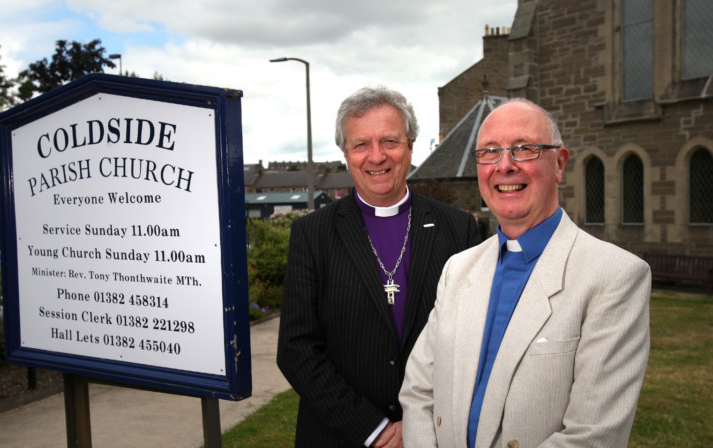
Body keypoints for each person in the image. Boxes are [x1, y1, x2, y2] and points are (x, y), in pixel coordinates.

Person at [399, 98, 651, 448]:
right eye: (489, 152)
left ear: (559, 164)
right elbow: (418, 390)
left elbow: (594, 437)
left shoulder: (613, 276)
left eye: (524, 149)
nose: (505, 166)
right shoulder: (458, 269)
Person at [277, 86, 482, 448]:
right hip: (337, 435)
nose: (376, 157)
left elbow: (472, 341)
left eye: (389, 141)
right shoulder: (312, 234)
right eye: (361, 145)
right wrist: (372, 429)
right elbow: (296, 349)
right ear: (345, 153)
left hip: (433, 435)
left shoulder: (459, 229)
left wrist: (417, 423)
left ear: (410, 145)